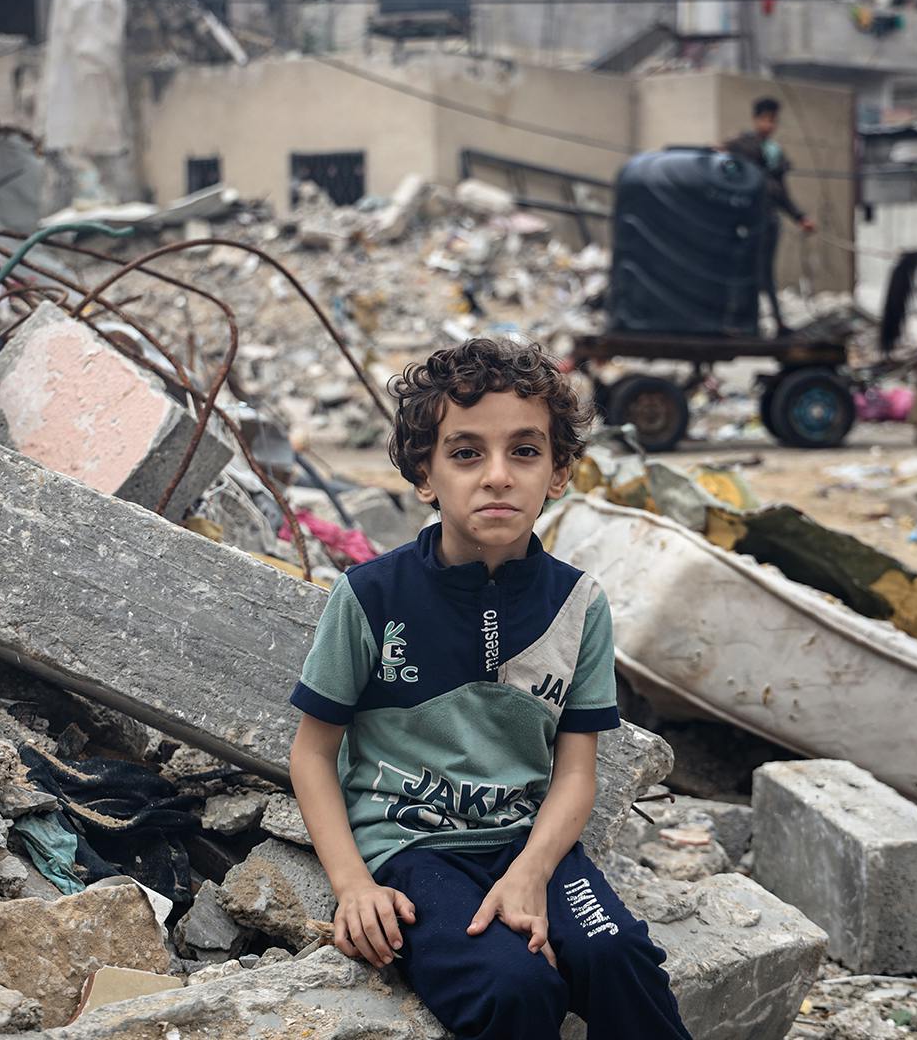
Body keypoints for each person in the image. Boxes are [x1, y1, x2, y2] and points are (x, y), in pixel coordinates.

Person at [289, 339, 692, 1040]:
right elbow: (312, 754)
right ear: (425, 473)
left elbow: (575, 772)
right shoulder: (370, 596)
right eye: (467, 453)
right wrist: (355, 885)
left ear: (560, 471)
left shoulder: (578, 605)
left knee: (616, 953)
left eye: (526, 452)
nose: (498, 476)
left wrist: (533, 870)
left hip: (526, 841)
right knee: (515, 987)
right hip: (411, 850)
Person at [725, 96, 816, 337]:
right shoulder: (743, 146)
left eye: (773, 121)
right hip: (747, 222)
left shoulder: (774, 153)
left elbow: (781, 191)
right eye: (765, 119)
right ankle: (744, 323)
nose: (769, 125)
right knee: (747, 272)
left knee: (765, 273)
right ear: (756, 119)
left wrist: (799, 217)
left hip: (768, 221)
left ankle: (775, 322)